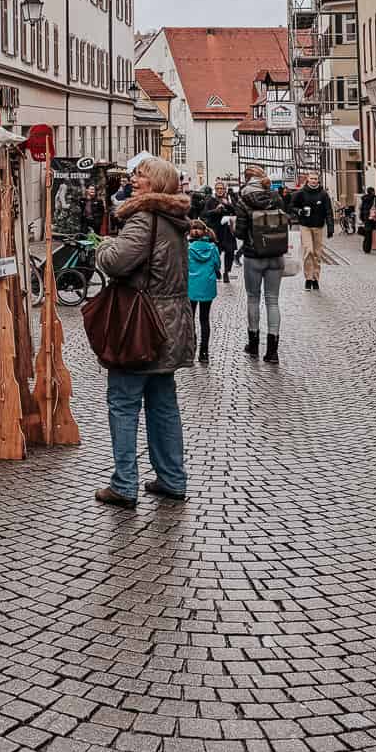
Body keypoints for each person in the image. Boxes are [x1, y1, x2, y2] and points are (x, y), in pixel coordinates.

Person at [93, 154, 195, 509]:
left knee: (123, 402)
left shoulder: (144, 220)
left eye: (141, 176)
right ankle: (172, 478)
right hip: (171, 323)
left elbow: (116, 261)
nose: (134, 179)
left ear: (158, 184)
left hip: (142, 325)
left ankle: (124, 483)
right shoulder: (175, 219)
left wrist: (103, 246)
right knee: (163, 403)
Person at [234, 173, 288, 362]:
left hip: (253, 255)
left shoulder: (243, 201)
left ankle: (254, 344)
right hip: (276, 255)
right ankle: (272, 351)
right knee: (273, 301)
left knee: (253, 298)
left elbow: (240, 233)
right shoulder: (276, 198)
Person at [290, 171, 334, 292]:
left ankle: (315, 279)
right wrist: (300, 211)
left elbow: (329, 211)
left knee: (317, 254)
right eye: (312, 179)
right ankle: (308, 278)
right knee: (308, 250)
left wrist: (330, 227)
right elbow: (292, 206)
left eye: (316, 179)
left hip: (318, 226)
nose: (314, 181)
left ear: (318, 180)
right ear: (307, 179)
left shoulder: (323, 194)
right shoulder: (301, 193)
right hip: (305, 226)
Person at [185, 218, 219, 362]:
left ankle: (191, 348)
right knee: (204, 319)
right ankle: (204, 352)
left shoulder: (187, 248)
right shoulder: (213, 248)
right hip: (207, 286)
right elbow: (217, 266)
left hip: (191, 287)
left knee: (190, 318)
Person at [202, 180, 237, 282]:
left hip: (228, 231)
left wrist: (228, 205)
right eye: (218, 189)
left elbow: (236, 211)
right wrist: (215, 211)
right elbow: (204, 214)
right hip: (215, 231)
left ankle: (227, 272)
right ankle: (216, 269)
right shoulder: (210, 200)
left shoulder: (229, 199)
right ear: (215, 190)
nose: (220, 190)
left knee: (230, 252)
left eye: (221, 188)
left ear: (225, 190)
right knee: (216, 252)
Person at [360, 186, 376, 253]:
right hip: (375, 218)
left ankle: (366, 249)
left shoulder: (364, 199)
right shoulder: (375, 199)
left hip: (367, 218)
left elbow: (362, 209)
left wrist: (362, 218)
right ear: (373, 191)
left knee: (368, 234)